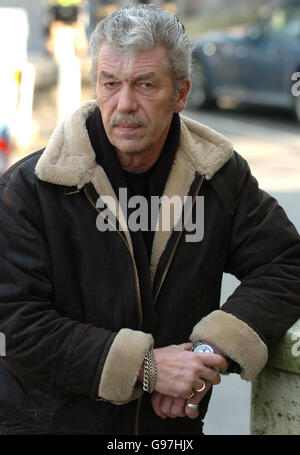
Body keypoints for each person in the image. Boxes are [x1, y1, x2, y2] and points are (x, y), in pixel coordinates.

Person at [0, 3, 299, 435]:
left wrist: (206, 350)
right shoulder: (31, 187)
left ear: (181, 94)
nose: (124, 104)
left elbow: (287, 263)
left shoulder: (218, 175)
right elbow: (15, 323)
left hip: (168, 435)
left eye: (145, 84)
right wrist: (147, 368)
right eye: (111, 83)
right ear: (96, 87)